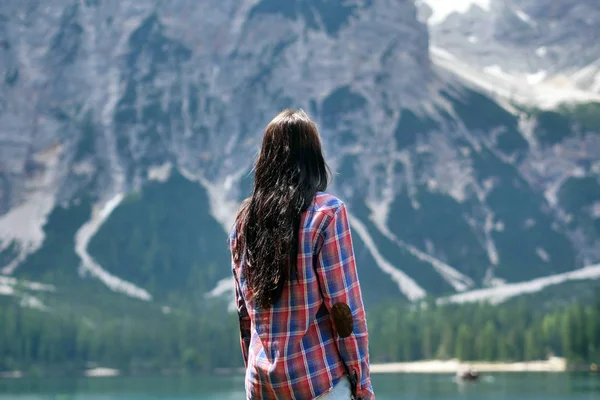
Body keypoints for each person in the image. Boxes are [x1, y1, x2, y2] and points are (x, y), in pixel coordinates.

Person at [229, 109, 375, 400]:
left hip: (261, 386)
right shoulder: (326, 213)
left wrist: (257, 375)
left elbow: (245, 318)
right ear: (313, 157)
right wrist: (362, 386)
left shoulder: (243, 223)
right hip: (318, 384)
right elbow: (344, 312)